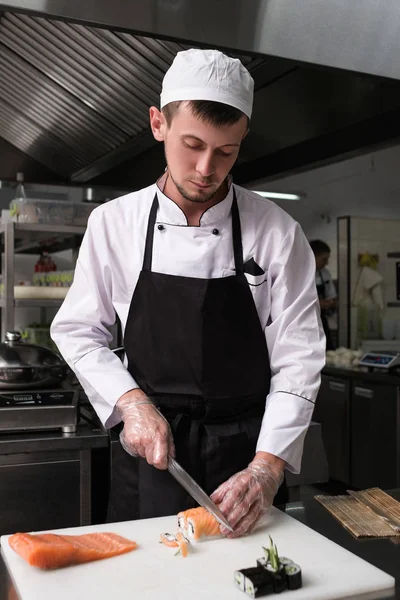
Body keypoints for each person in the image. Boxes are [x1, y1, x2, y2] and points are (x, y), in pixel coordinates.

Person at [51, 48, 325, 538]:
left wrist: (267, 467)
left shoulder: (279, 233)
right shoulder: (114, 224)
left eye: (226, 151)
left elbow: (299, 359)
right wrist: (131, 403)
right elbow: (78, 332)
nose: (205, 168)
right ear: (158, 124)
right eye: (192, 144)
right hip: (154, 452)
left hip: (248, 455)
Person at [309, 239, 337, 351]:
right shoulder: (299, 273)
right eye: (324, 259)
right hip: (306, 322)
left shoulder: (325, 274)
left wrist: (331, 303)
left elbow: (332, 295)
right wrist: (317, 303)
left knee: (327, 351)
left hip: (321, 320)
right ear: (313, 256)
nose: (327, 263)